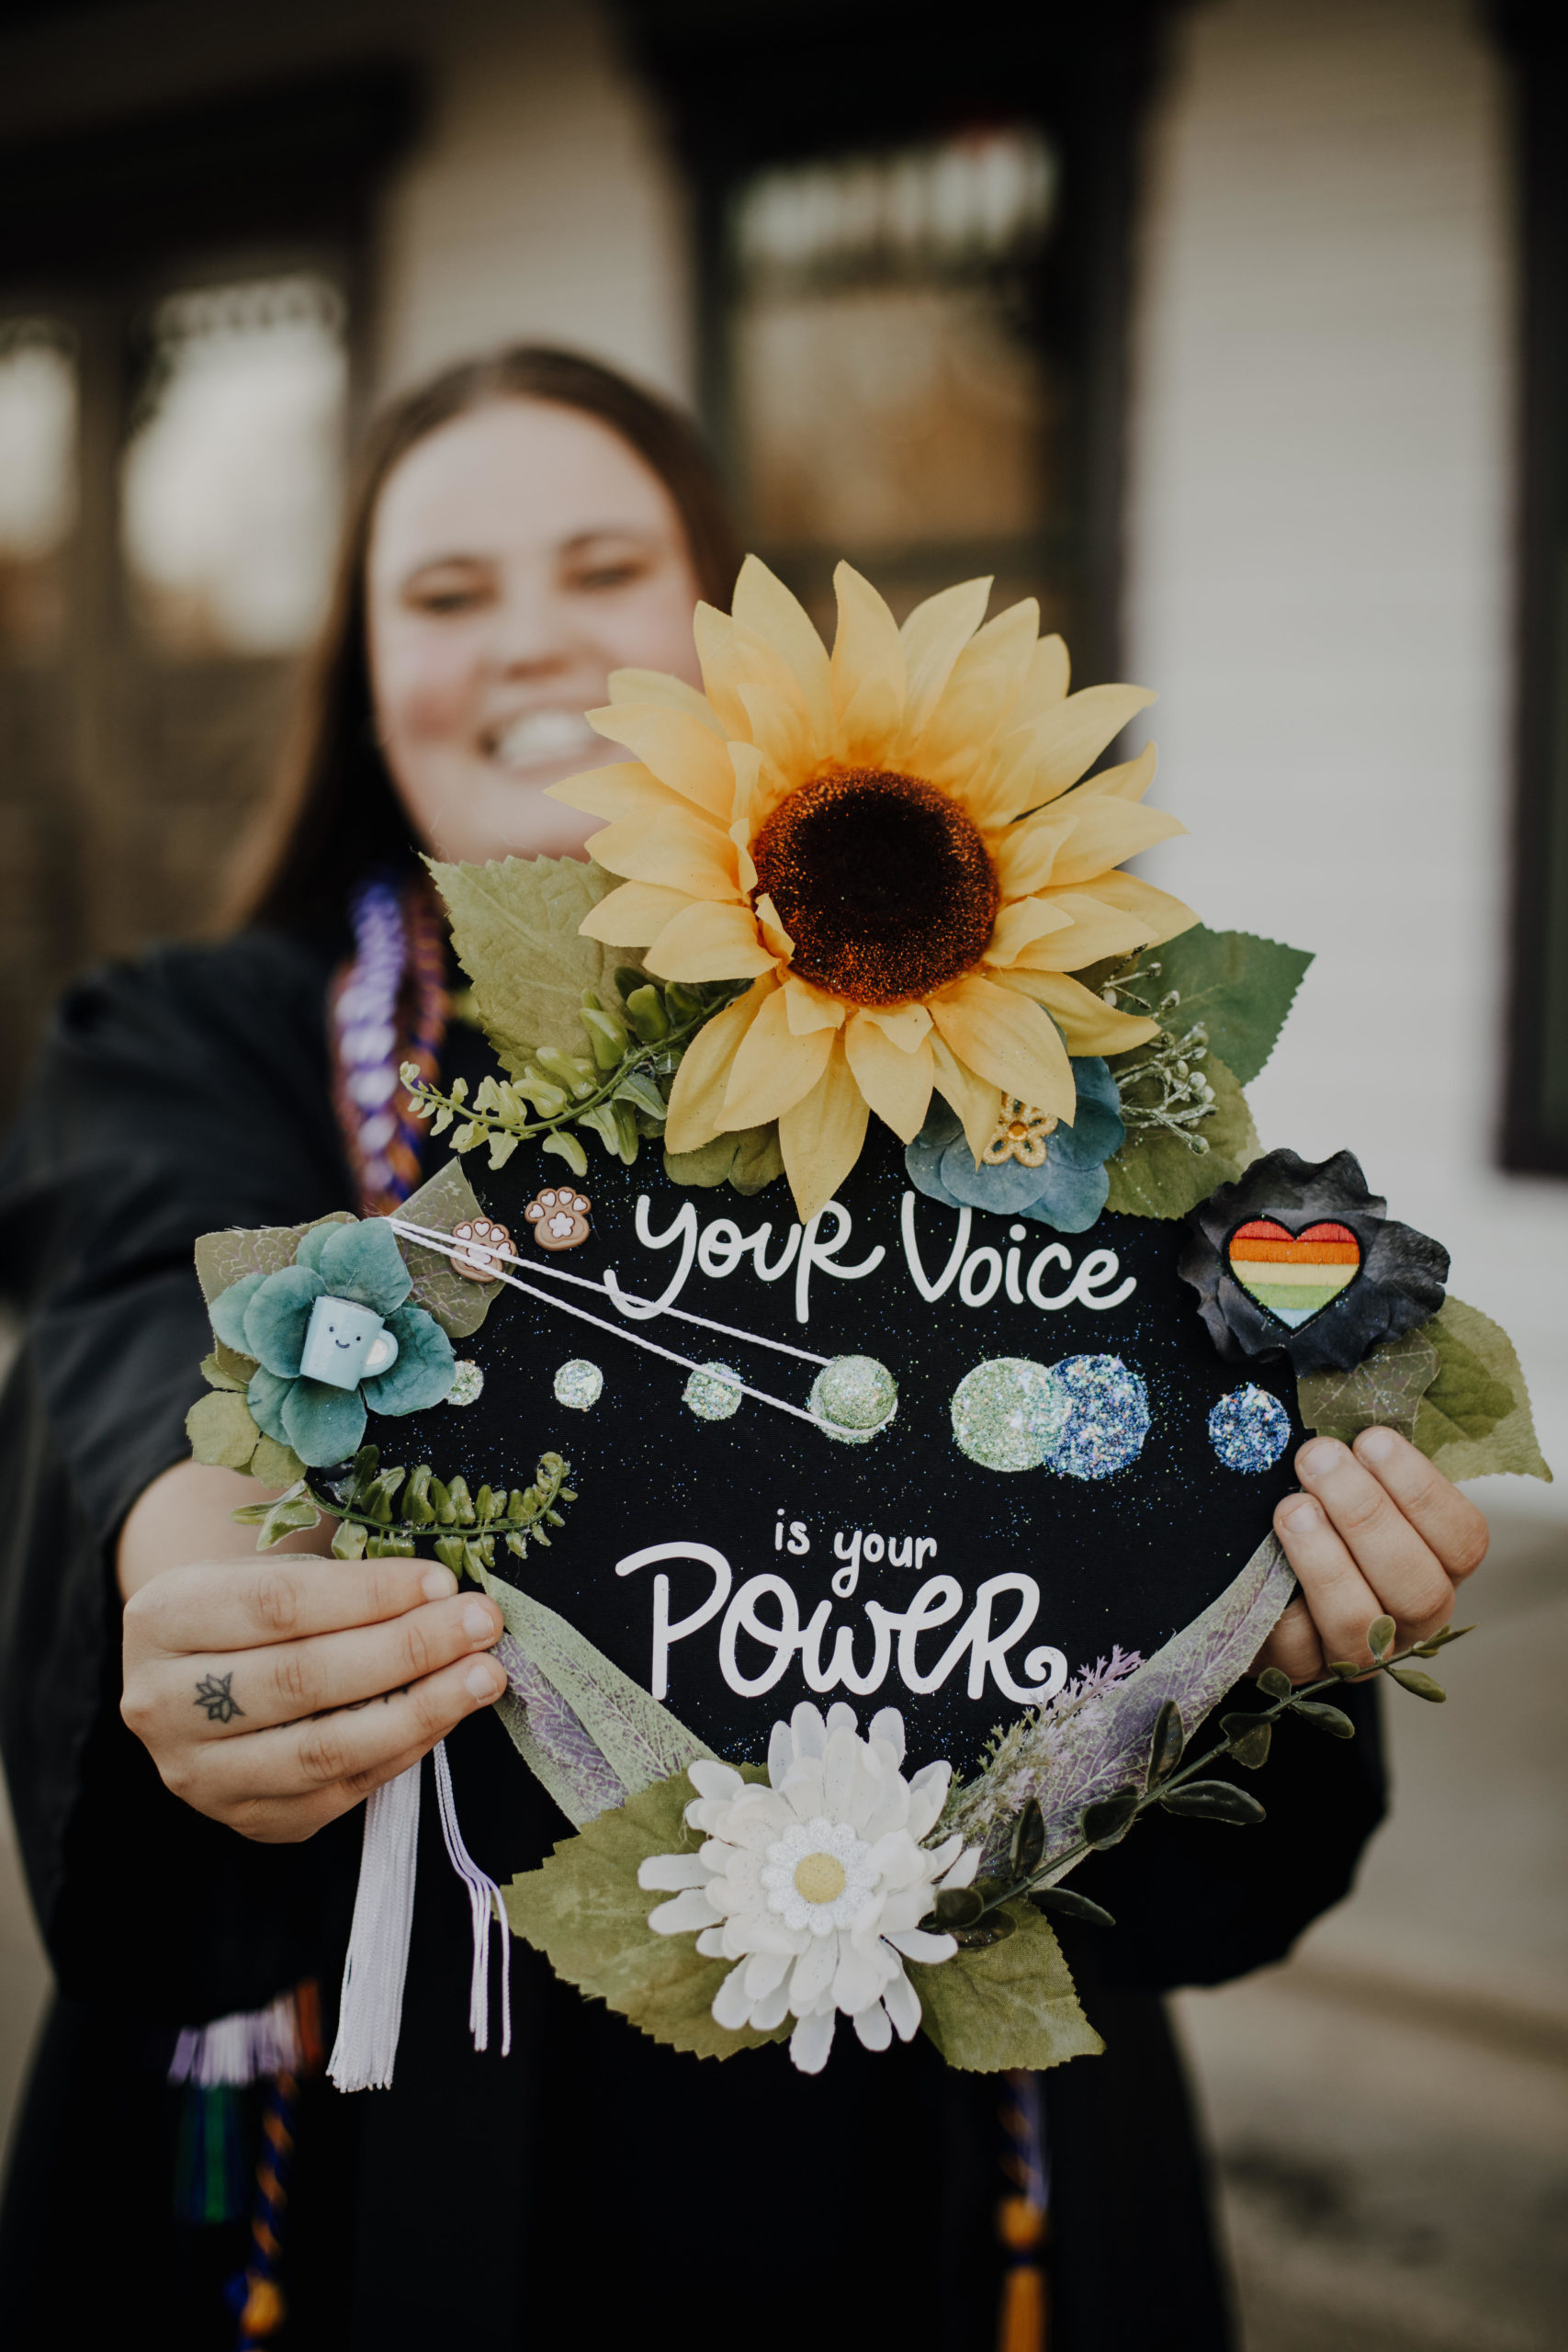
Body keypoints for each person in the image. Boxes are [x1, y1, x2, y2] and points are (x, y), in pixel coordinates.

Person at [0, 345, 1489, 2351]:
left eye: (599, 567)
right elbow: (121, 1308)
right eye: (442, 595)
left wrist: (1251, 1613)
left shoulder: (978, 1052)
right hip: (403, 2119)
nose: (524, 636)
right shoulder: (205, 1033)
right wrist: (190, 1567)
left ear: (718, 628)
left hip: (912, 2135)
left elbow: (1137, 1450)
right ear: (360, 669)